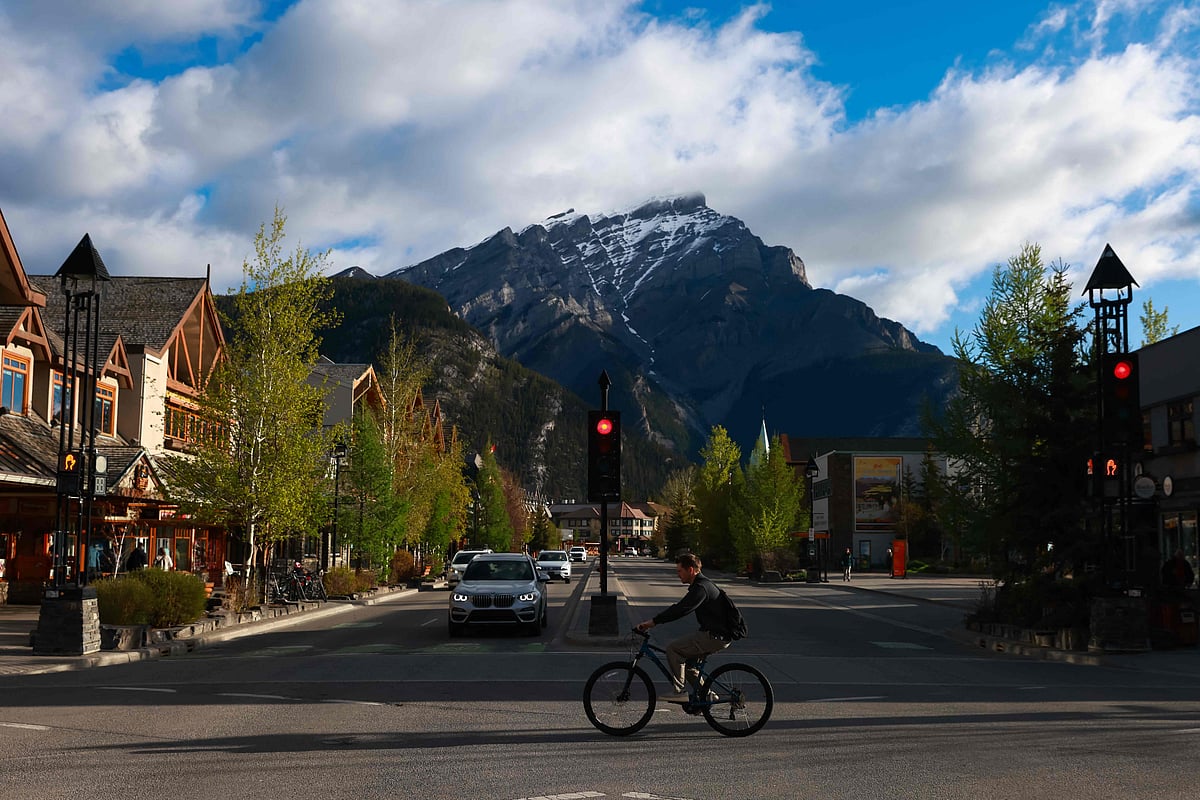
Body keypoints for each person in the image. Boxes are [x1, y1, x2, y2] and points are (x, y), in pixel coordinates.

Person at [634, 553, 730, 703]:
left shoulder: (701, 588)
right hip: (716, 634)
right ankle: (707, 695)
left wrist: (653, 622)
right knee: (690, 665)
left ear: (690, 570)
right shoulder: (701, 585)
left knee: (673, 649)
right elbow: (680, 608)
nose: (678, 574)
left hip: (715, 636)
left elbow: (681, 609)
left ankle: (679, 692)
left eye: (680, 571)